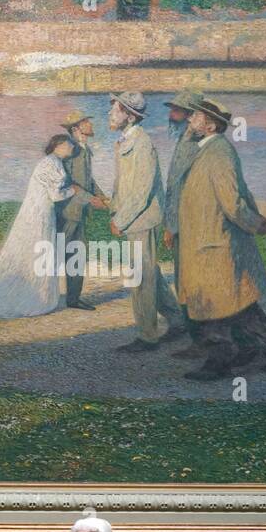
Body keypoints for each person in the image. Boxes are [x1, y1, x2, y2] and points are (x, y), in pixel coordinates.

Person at [175, 99, 266, 380]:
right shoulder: (210, 151)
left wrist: (256, 225)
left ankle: (219, 363)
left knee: (217, 306)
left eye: (196, 117)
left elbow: (232, 202)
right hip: (208, 241)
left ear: (211, 125)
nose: (190, 120)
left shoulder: (218, 153)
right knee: (238, 307)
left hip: (215, 244)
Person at [0, 134, 101, 318]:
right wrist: (74, 190)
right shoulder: (50, 164)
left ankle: (36, 293)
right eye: (69, 145)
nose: (72, 148)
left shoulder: (53, 162)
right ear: (59, 146)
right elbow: (55, 196)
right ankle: (33, 296)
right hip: (39, 213)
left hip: (41, 211)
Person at [106, 92, 185, 353]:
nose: (110, 114)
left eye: (115, 110)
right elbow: (123, 185)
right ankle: (177, 320)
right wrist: (115, 210)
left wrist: (121, 219)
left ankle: (148, 336)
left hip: (141, 219)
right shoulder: (127, 141)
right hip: (134, 218)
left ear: (129, 116)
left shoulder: (141, 143)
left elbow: (142, 190)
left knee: (141, 278)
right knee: (151, 273)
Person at [162, 90, 205, 359]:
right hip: (182, 224)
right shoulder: (185, 138)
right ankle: (197, 339)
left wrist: (172, 225)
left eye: (176, 110)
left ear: (190, 115)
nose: (170, 115)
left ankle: (201, 342)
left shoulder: (194, 143)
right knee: (185, 284)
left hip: (190, 226)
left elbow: (182, 188)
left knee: (191, 285)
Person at [58, 111, 106, 310]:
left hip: (79, 211)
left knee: (76, 253)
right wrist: (91, 199)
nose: (90, 124)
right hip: (67, 212)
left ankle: (73, 299)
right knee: (56, 254)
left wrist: (100, 195)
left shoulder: (83, 148)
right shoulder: (71, 149)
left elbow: (87, 180)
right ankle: (40, 295)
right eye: (86, 122)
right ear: (76, 128)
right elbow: (69, 183)